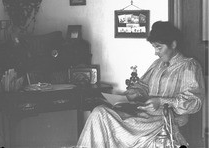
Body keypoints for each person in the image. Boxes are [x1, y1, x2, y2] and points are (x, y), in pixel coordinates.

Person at [77, 21, 205, 148]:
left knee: (104, 117)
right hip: (143, 115)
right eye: (154, 47)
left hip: (163, 120)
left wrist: (160, 101)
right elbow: (143, 86)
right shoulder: (157, 64)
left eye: (159, 47)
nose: (156, 52)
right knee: (99, 112)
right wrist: (134, 93)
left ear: (173, 44)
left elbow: (194, 102)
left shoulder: (189, 66)